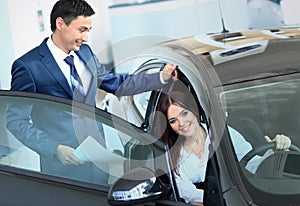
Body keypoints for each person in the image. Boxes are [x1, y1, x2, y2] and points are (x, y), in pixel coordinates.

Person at [6, 0, 177, 184]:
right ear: (60, 24)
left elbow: (117, 84)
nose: (86, 38)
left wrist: (159, 78)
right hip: (62, 168)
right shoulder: (28, 66)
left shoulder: (85, 53)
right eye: (82, 30)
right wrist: (54, 148)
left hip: (97, 158)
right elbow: (16, 121)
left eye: (88, 30)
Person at [157, 91, 291, 206]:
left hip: (241, 200)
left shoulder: (223, 134)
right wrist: (208, 201)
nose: (181, 123)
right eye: (173, 121)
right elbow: (186, 191)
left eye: (184, 113)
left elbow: (251, 164)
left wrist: (276, 151)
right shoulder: (173, 154)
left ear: (194, 110)